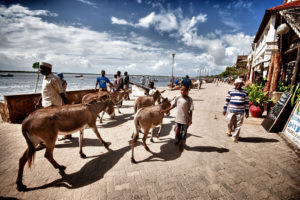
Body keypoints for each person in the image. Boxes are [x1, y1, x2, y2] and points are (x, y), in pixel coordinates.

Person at [39, 62, 68, 141]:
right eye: (39, 68)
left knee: (47, 124)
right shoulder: (45, 78)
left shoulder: (54, 79)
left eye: (41, 68)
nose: (39, 70)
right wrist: (40, 100)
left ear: (48, 69)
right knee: (54, 124)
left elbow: (61, 92)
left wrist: (67, 105)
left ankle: (44, 141)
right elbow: (45, 91)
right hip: (46, 104)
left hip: (53, 105)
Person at [161, 86, 194, 152]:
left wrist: (190, 120)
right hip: (178, 118)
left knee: (184, 133)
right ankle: (178, 140)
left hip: (185, 119)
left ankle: (181, 143)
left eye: (184, 90)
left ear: (187, 91)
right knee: (177, 131)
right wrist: (166, 110)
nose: (182, 92)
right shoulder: (178, 98)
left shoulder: (189, 99)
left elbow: (191, 110)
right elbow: (173, 105)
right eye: (181, 90)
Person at [223, 78, 249, 143]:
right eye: (238, 83)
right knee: (229, 122)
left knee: (238, 125)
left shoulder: (245, 92)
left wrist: (247, 112)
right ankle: (229, 129)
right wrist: (224, 109)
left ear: (242, 84)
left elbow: (246, 103)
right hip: (231, 110)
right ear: (235, 84)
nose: (239, 85)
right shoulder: (231, 91)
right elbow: (227, 100)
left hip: (240, 112)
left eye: (240, 84)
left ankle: (234, 137)